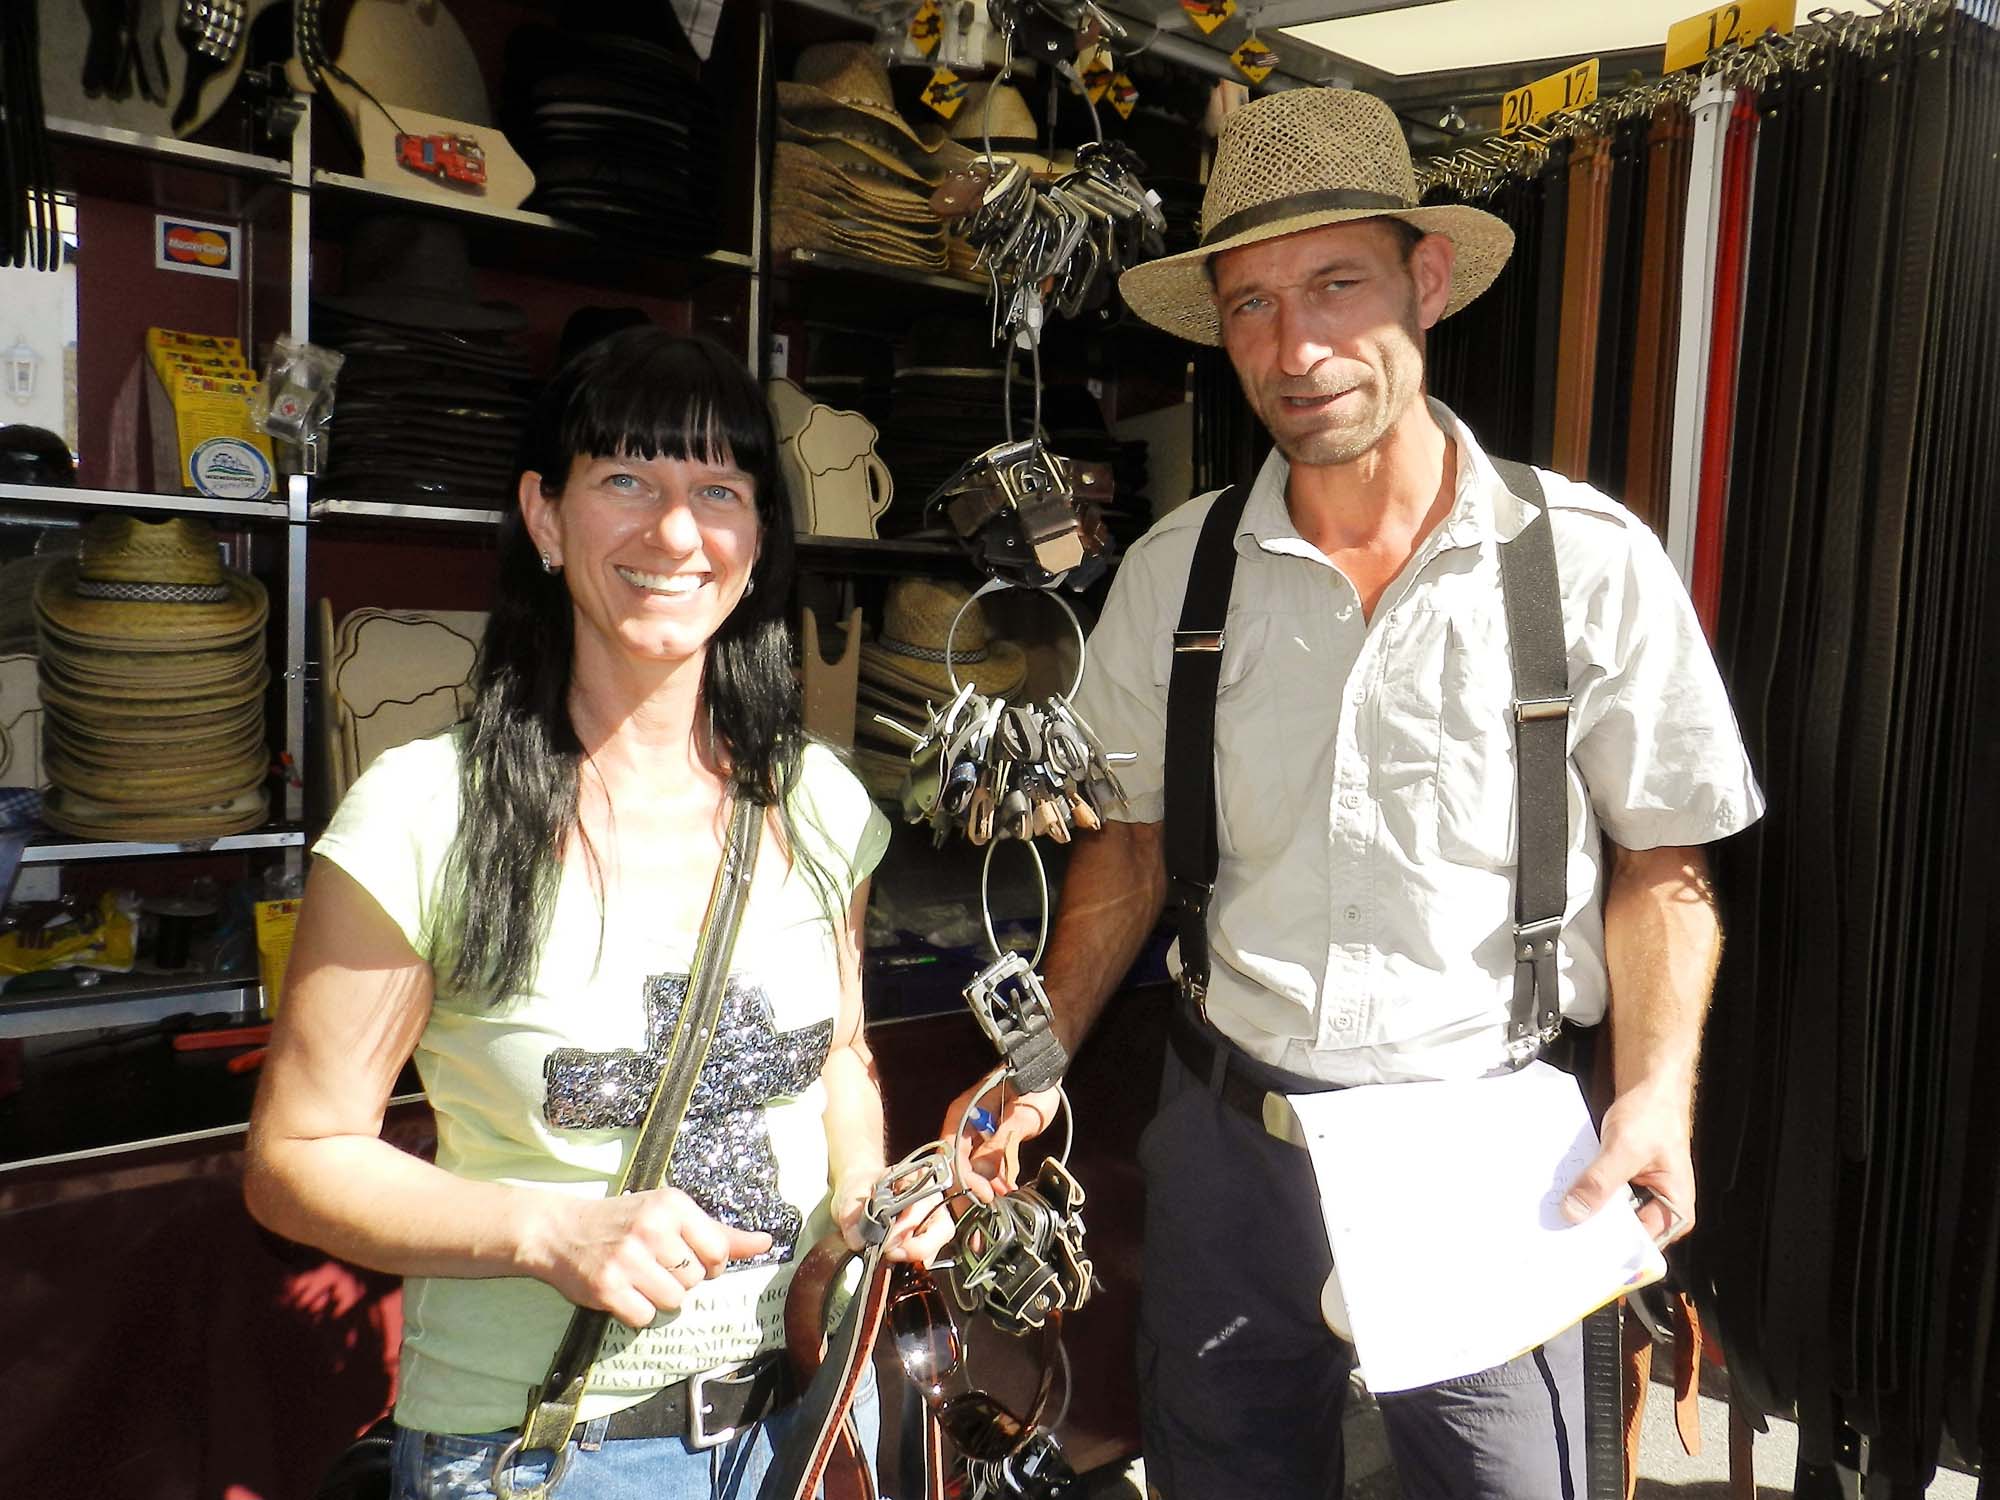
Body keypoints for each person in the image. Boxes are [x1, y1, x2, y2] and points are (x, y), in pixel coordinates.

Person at [944, 88, 1764, 1498]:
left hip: (1482, 1154)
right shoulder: (1177, 573)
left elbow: (1662, 868)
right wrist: (1034, 1064)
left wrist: (1652, 1097)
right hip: (1229, 1149)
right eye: (1252, 305)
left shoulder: (1583, 562)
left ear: (1425, 282)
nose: (1297, 347)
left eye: (1337, 285)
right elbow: (1127, 852)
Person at [247, 327, 945, 1500]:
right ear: (543, 515)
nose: (673, 533)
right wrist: (549, 1233)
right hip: (549, 1453)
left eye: (717, 491)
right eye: (625, 479)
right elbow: (295, 1160)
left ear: (756, 539)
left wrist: (869, 1201)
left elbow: (837, 1056)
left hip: (822, 1416)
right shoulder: (424, 813)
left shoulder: (818, 800)